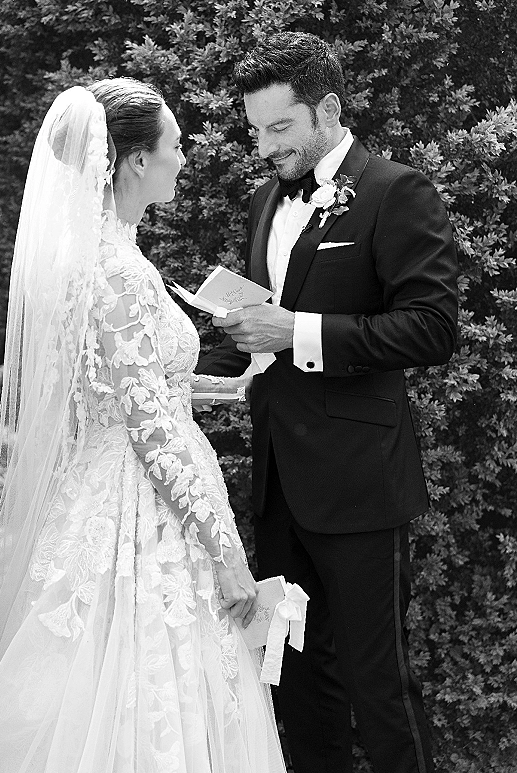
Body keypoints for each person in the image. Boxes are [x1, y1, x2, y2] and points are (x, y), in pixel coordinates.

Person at [0, 79, 287, 773]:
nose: (184, 159)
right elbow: (151, 434)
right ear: (135, 160)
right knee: (151, 683)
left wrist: (214, 381)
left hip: (98, 490)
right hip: (142, 512)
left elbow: (117, 384)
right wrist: (223, 553)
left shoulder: (104, 256)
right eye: (176, 145)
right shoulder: (122, 272)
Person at [196, 32, 458, 773]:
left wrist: (298, 330)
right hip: (281, 487)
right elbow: (257, 328)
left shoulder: (396, 191)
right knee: (300, 684)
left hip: (362, 485)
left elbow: (433, 327)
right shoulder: (260, 201)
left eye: (279, 127)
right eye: (254, 129)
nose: (263, 146)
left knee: (382, 688)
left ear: (328, 110)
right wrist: (185, 375)